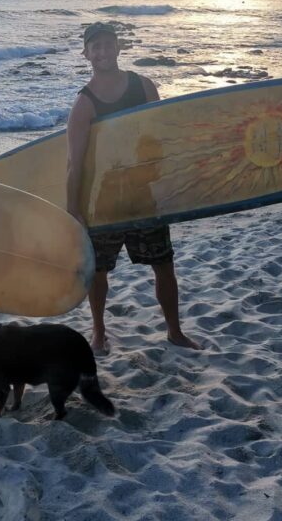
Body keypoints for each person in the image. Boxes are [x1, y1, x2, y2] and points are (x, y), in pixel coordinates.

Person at [66, 22, 199, 355]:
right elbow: (75, 162)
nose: (102, 51)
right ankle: (98, 332)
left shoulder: (143, 86)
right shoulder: (85, 102)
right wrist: (73, 210)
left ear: (118, 48)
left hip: (144, 195)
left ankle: (174, 330)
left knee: (164, 264)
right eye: (95, 46)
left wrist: (171, 185)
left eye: (107, 44)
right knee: (98, 272)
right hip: (104, 200)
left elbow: (158, 138)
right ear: (86, 54)